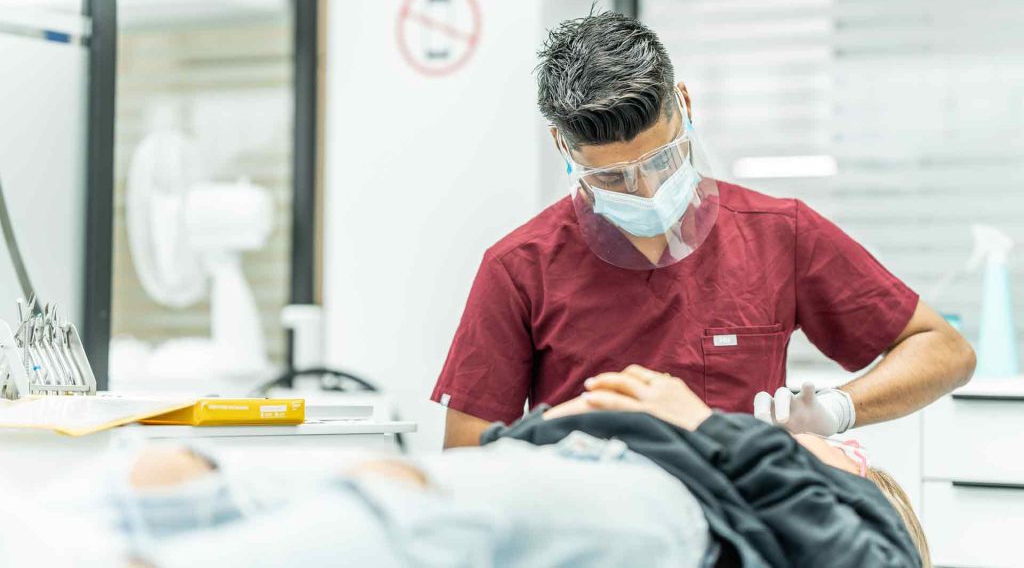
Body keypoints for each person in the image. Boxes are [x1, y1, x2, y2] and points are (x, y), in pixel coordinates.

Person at [431, 11, 975, 447]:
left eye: (661, 161)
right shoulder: (519, 268)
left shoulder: (777, 234)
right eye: (613, 177)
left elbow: (944, 350)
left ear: (685, 105)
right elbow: (469, 453)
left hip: (743, 521)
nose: (645, 191)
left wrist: (838, 408)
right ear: (562, 146)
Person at [5, 366, 928, 567]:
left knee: (402, 499)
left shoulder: (856, 505)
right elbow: (490, 452)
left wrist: (709, 428)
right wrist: (547, 428)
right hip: (590, 466)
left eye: (842, 448)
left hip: (667, 515)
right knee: (188, 472)